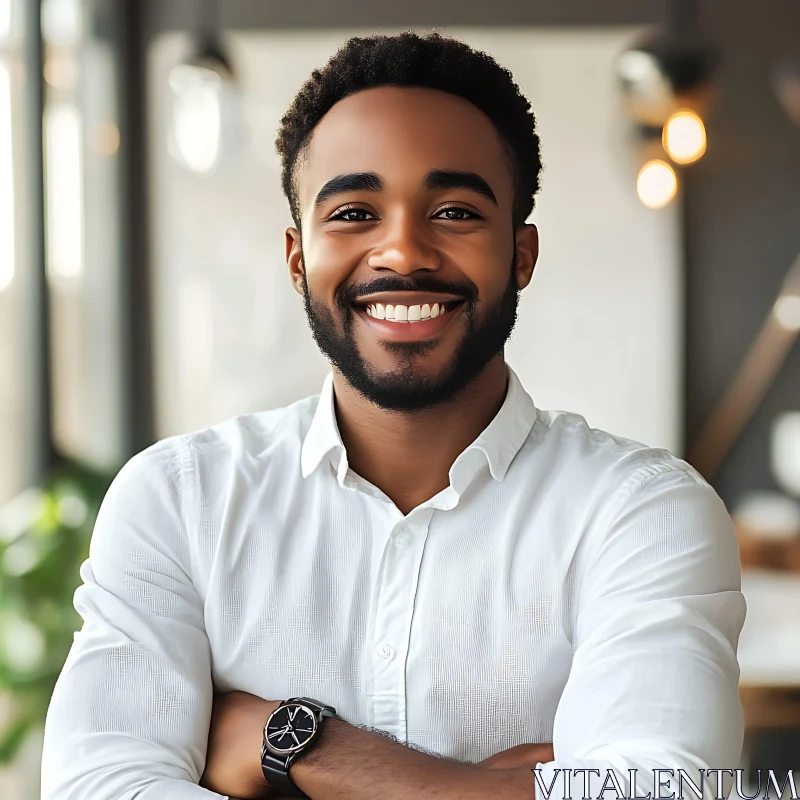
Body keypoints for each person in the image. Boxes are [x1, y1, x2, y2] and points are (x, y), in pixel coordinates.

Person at [41, 32, 746, 800]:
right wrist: (496, 789)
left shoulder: (643, 512)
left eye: (453, 210)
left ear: (521, 254)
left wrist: (305, 747)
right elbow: (98, 785)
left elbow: (665, 791)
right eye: (353, 211)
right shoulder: (176, 502)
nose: (403, 250)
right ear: (296, 257)